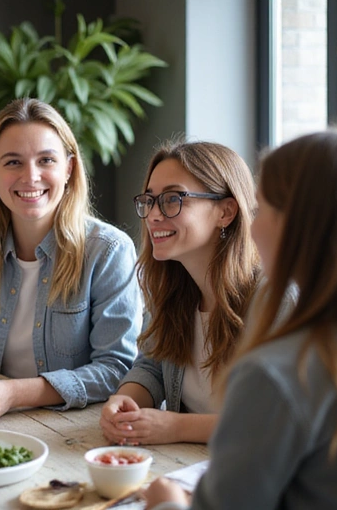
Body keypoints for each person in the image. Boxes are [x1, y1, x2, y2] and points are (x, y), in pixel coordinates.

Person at [145, 128, 337, 510]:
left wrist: (167, 502)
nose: (252, 225)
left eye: (262, 207)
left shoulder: (277, 373)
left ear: (301, 228)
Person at [0, 98, 140, 423]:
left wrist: (15, 393)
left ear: (68, 169)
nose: (31, 176)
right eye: (13, 162)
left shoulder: (109, 250)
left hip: (76, 427)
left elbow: (117, 368)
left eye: (46, 160)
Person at [100, 140, 261, 445]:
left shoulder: (276, 300)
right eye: (150, 200)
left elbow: (277, 420)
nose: (153, 215)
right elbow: (152, 366)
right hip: (184, 466)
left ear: (225, 212)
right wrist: (122, 402)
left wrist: (176, 427)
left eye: (173, 199)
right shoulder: (175, 290)